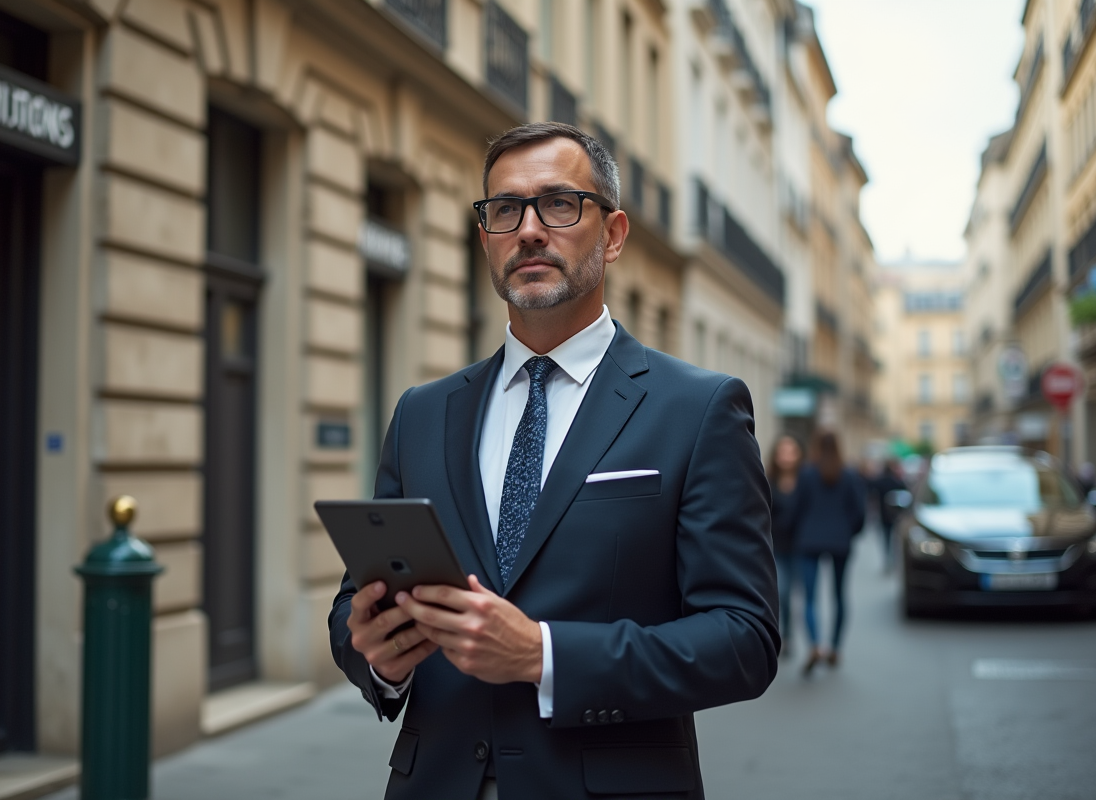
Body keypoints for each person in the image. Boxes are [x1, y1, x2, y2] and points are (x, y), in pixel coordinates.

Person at [328, 122, 779, 800]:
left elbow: (744, 639)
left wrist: (546, 656)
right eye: (506, 210)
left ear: (613, 234)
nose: (530, 230)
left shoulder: (698, 409)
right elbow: (353, 604)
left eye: (560, 204)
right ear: (485, 238)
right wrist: (379, 656)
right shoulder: (422, 412)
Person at [793, 430, 865, 676]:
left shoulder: (806, 474)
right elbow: (859, 512)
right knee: (839, 595)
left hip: (809, 540)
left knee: (809, 598)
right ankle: (834, 647)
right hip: (840, 541)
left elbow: (796, 509)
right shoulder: (849, 474)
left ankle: (815, 645)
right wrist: (848, 532)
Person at [767, 434, 803, 658]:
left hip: (801, 548)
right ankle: (780, 636)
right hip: (776, 547)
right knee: (782, 592)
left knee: (794, 594)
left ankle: (788, 634)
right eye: (783, 451)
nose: (787, 456)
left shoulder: (806, 481)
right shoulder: (767, 481)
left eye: (791, 451)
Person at [870, 458, 907, 571]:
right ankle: (894, 561)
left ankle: (887, 560)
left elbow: (872, 493)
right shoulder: (897, 482)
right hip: (896, 516)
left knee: (886, 539)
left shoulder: (880, 481)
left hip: (883, 516)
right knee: (895, 540)